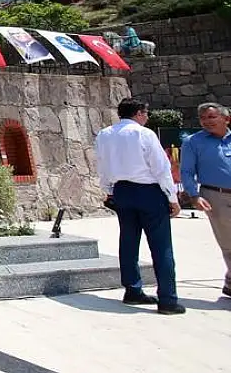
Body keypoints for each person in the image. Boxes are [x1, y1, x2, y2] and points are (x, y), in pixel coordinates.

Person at [94, 97, 185, 314]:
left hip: (122, 190)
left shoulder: (105, 135)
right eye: (146, 113)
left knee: (128, 241)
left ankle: (132, 289)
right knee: (161, 245)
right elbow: (161, 168)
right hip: (148, 191)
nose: (147, 117)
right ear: (139, 113)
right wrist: (172, 198)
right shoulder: (144, 134)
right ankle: (168, 299)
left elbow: (102, 164)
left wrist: (109, 190)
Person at [179, 102, 231, 298]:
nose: (207, 122)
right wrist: (194, 196)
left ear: (226, 119)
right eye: (203, 118)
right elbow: (187, 171)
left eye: (211, 117)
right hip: (215, 196)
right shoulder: (193, 142)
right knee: (228, 242)